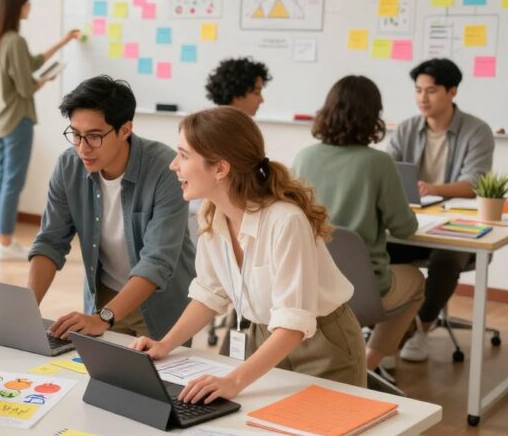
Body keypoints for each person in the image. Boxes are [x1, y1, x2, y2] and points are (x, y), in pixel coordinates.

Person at [131, 107, 366, 404]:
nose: (173, 165)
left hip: (324, 344)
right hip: (264, 337)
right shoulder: (213, 214)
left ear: (220, 169)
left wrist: (234, 380)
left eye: (184, 155)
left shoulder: (285, 221)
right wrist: (165, 344)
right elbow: (209, 293)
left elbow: (293, 325)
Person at [29, 76, 196, 340]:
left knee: (158, 380)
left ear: (125, 130)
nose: (83, 148)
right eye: (76, 134)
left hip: (160, 302)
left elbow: (156, 261)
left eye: (95, 136)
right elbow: (50, 242)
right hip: (104, 295)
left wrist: (103, 318)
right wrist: (26, 311)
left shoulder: (165, 169)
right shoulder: (68, 166)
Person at [293, 76, 424, 377]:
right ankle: (367, 363)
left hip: (310, 285)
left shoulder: (303, 158)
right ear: (373, 116)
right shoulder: (378, 163)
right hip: (363, 290)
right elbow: (404, 228)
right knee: (416, 280)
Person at [387, 58, 495, 362]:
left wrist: (432, 189)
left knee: (447, 257)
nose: (422, 97)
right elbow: (387, 170)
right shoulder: (407, 128)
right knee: (376, 245)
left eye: (431, 90)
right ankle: (389, 328)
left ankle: (421, 326)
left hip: (458, 225)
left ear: (452, 92)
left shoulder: (477, 131)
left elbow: (475, 184)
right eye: (418, 90)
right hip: (413, 221)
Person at [0, 0, 80, 261]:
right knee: (12, 181)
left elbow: (31, 62)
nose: (30, 7)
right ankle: (6, 242)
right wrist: (45, 80)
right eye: (27, 2)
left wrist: (62, 43)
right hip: (17, 119)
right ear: (18, 6)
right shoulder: (15, 40)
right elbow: (26, 86)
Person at [205, 57, 271, 116]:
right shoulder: (217, 128)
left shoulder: (242, 126)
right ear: (235, 92)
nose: (262, 100)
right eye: (256, 93)